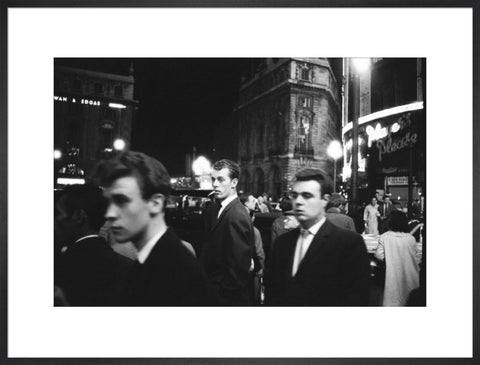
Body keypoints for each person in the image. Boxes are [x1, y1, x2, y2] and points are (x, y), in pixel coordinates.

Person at [96, 151, 211, 306]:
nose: (110, 213)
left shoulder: (177, 271)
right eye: (109, 202)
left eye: (121, 201)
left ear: (155, 203)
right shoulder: (154, 260)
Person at [265, 169, 371, 306]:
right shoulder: (282, 243)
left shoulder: (349, 244)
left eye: (307, 195)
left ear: (325, 200)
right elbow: (273, 294)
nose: (298, 201)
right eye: (294, 195)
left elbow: (356, 301)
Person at [54, 183, 133, 306]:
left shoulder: (61, 266)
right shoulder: (128, 267)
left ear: (79, 216)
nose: (55, 220)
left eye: (57, 213)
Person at [200, 159, 254, 305]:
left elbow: (237, 272)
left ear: (234, 183)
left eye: (221, 179)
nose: (215, 184)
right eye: (213, 179)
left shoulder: (237, 215)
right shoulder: (217, 208)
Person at [375, 210, 421, 306]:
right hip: (411, 276)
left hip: (392, 275)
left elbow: (379, 255)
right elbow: (417, 258)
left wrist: (391, 259)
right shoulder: (410, 238)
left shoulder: (384, 237)